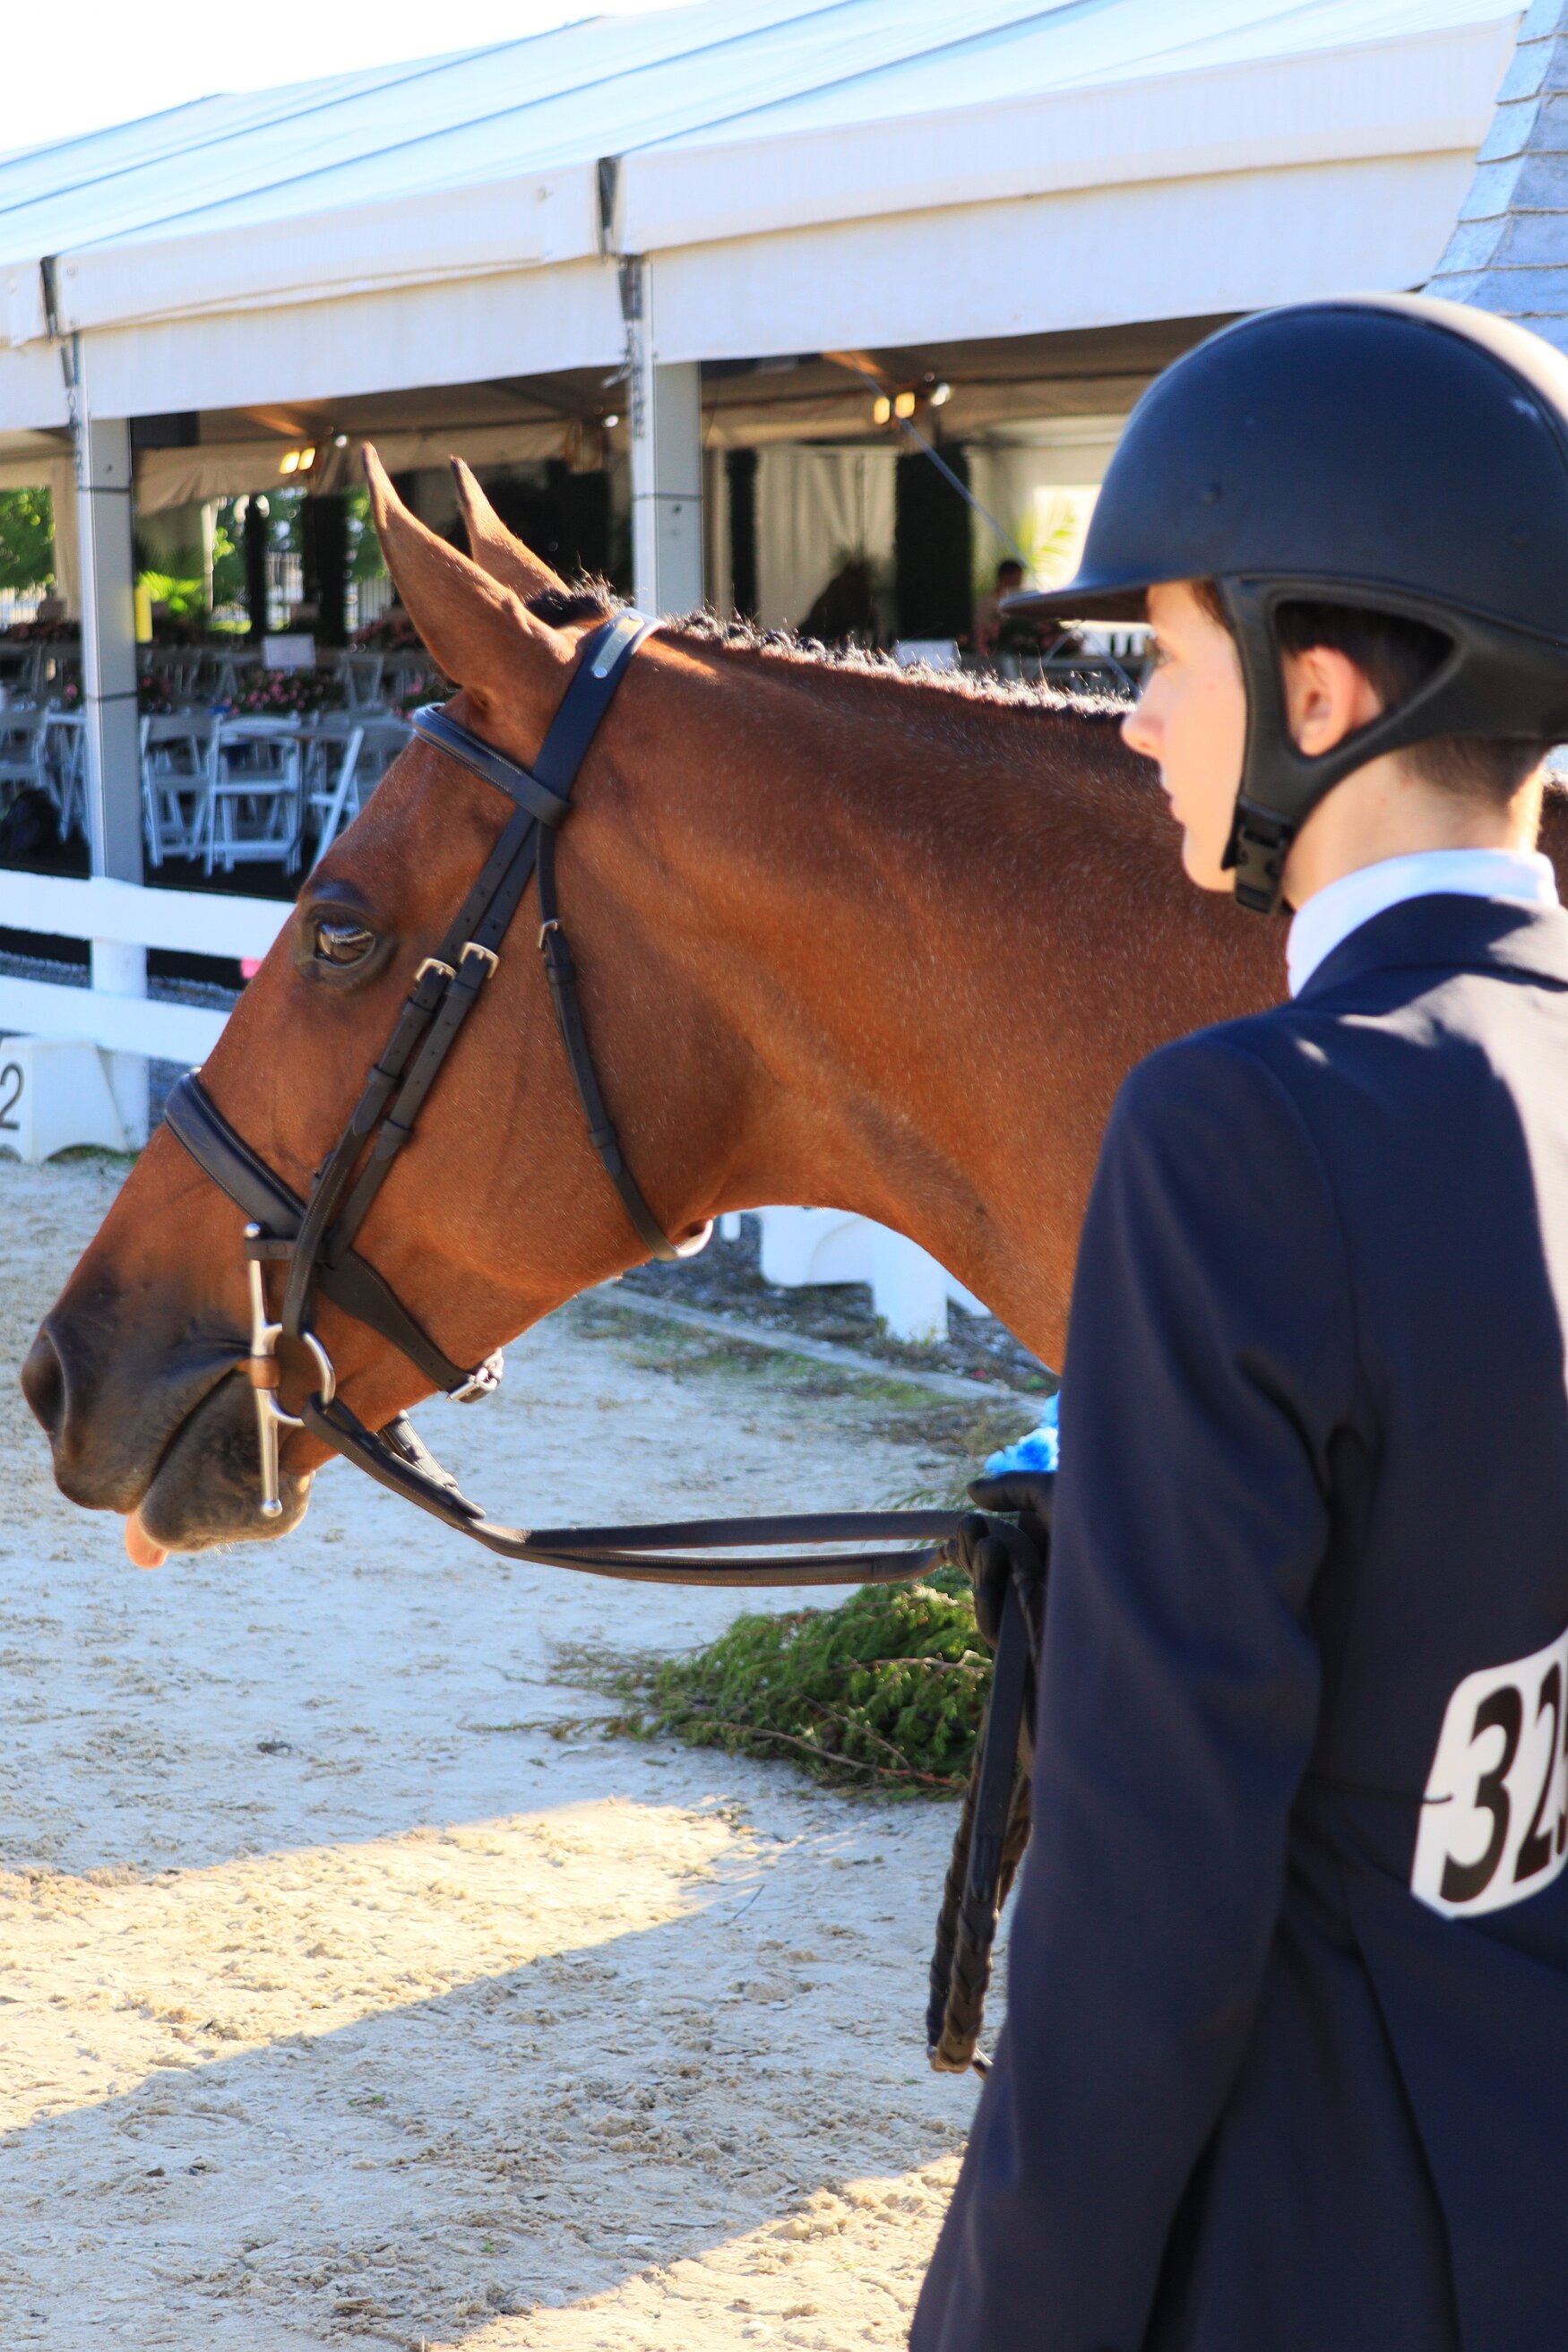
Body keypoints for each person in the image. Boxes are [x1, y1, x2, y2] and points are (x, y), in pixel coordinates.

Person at [912, 293, 1568, 2352]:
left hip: (1329, 2236)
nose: (1131, 722)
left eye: (1161, 658)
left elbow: (1144, 1903)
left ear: (1313, 686)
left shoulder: (1240, 1131)